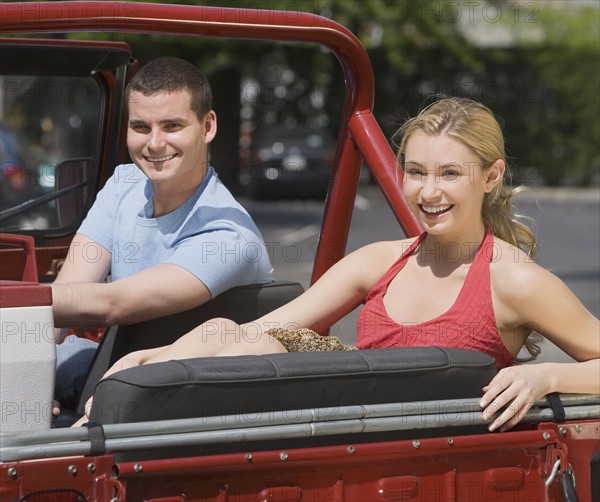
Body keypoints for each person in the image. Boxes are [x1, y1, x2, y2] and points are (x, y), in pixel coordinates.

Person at [86, 97, 599, 432]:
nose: (429, 191)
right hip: (350, 432)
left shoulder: (513, 279)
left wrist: (547, 376)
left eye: (450, 173)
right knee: (230, 329)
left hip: (440, 452)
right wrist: (151, 358)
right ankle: (110, 419)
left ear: (491, 177)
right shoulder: (380, 261)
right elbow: (265, 328)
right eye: (416, 172)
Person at [52, 57, 273, 413]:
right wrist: (29, 385)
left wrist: (17, 302)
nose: (155, 143)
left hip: (186, 400)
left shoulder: (229, 235)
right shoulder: (123, 183)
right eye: (141, 127)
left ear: (208, 126)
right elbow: (64, 300)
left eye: (172, 125)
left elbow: (113, 303)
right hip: (116, 376)